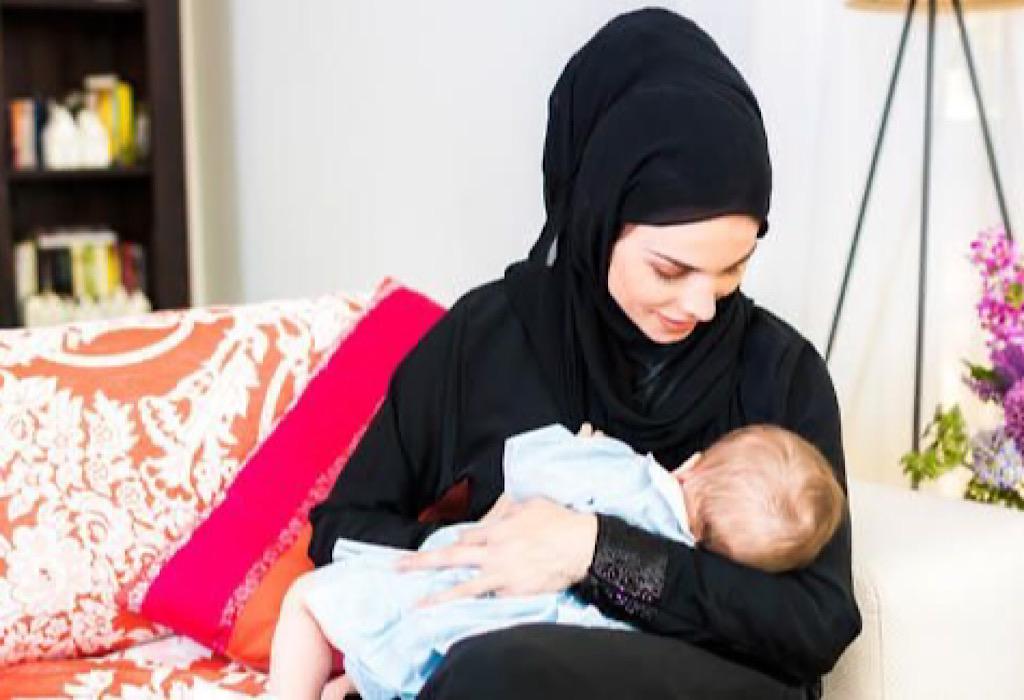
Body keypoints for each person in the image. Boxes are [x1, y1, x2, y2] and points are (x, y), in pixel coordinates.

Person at [306, 7, 861, 699]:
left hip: (707, 684)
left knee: (497, 670)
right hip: (504, 663)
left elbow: (817, 621)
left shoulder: (780, 372)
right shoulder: (490, 338)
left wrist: (595, 552)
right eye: (671, 270)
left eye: (732, 271)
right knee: (489, 666)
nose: (702, 305)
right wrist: (483, 550)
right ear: (597, 217)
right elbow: (341, 529)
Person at [270, 423, 846, 700]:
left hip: (472, 592)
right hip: (513, 637)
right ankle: (349, 687)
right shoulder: (674, 596)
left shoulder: (625, 473)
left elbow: (527, 465)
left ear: (692, 465)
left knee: (310, 601)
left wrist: (584, 446)